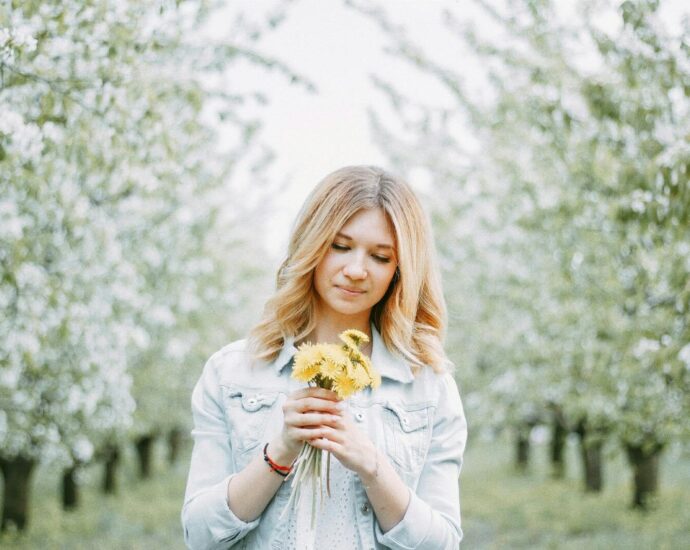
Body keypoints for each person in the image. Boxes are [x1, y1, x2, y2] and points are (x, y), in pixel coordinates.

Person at [181, 165, 467, 549]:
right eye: (340, 246)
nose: (355, 270)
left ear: (400, 271)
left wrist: (372, 466)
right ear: (312, 245)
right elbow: (199, 536)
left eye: (380, 257)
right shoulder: (232, 373)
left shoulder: (428, 387)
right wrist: (280, 453)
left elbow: (443, 543)